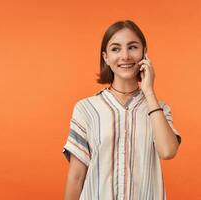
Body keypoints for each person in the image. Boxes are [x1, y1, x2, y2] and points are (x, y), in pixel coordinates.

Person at [62, 20, 182, 200]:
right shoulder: (86, 109)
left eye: (132, 47)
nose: (125, 56)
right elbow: (77, 176)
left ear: (144, 53)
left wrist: (149, 91)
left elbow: (168, 151)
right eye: (116, 49)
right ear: (105, 57)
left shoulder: (159, 109)